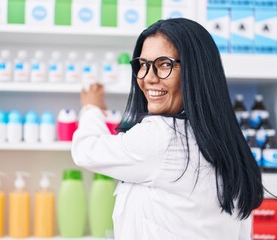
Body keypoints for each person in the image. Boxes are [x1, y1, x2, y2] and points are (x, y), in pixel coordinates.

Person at [71, 18, 264, 240]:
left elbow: (86, 151)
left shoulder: (162, 136)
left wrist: (91, 108)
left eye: (165, 64)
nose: (148, 78)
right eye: (143, 65)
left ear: (196, 72)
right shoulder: (228, 144)